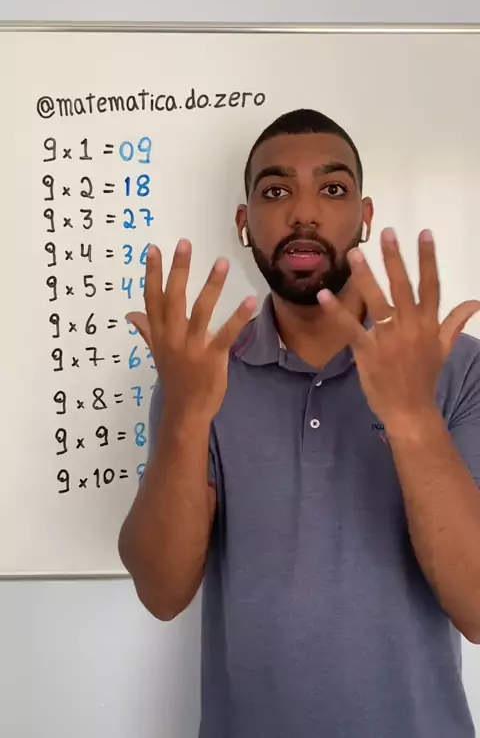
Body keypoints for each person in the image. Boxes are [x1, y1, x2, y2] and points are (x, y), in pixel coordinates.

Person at [118, 109, 480, 738]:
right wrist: (185, 416)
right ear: (244, 222)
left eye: (333, 189)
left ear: (365, 216)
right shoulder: (199, 372)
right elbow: (161, 590)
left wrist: (412, 417)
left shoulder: (457, 367)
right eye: (276, 191)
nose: (304, 213)